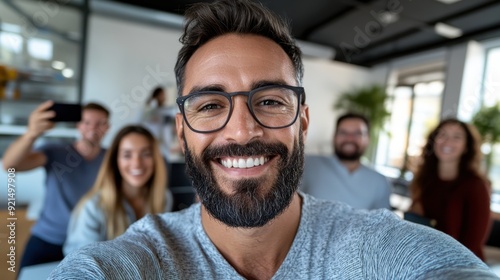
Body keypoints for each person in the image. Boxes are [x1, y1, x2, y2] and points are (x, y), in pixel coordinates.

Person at [49, 1, 497, 278]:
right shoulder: (139, 260)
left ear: (302, 121)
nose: (242, 130)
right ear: (181, 131)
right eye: (209, 105)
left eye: (270, 101)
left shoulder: (373, 248)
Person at [2, 101, 109, 269]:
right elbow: (10, 165)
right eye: (87, 122)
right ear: (78, 125)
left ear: (108, 127)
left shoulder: (114, 159)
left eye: (100, 123)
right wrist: (32, 133)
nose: (92, 129)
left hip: (90, 241)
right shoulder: (56, 152)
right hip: (48, 237)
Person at [63, 125, 174, 255]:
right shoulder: (92, 207)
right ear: (115, 161)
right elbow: (80, 264)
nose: (137, 163)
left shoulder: (164, 198)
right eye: (127, 155)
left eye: (146, 154)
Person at [409, 118, 491, 261]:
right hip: (426, 261)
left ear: (466, 147)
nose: (447, 141)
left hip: (463, 267)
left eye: (456, 137)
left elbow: (473, 243)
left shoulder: (476, 186)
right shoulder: (425, 180)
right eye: (442, 135)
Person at [300, 113, 391, 209]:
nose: (349, 138)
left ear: (367, 139)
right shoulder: (309, 164)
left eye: (357, 133)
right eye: (343, 133)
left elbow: (382, 222)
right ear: (334, 137)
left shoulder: (380, 182)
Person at [140, 86, 180, 160]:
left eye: (164, 95)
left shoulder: (166, 111)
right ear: (156, 96)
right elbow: (142, 122)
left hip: (165, 150)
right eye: (162, 95)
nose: (164, 97)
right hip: (153, 146)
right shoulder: (149, 111)